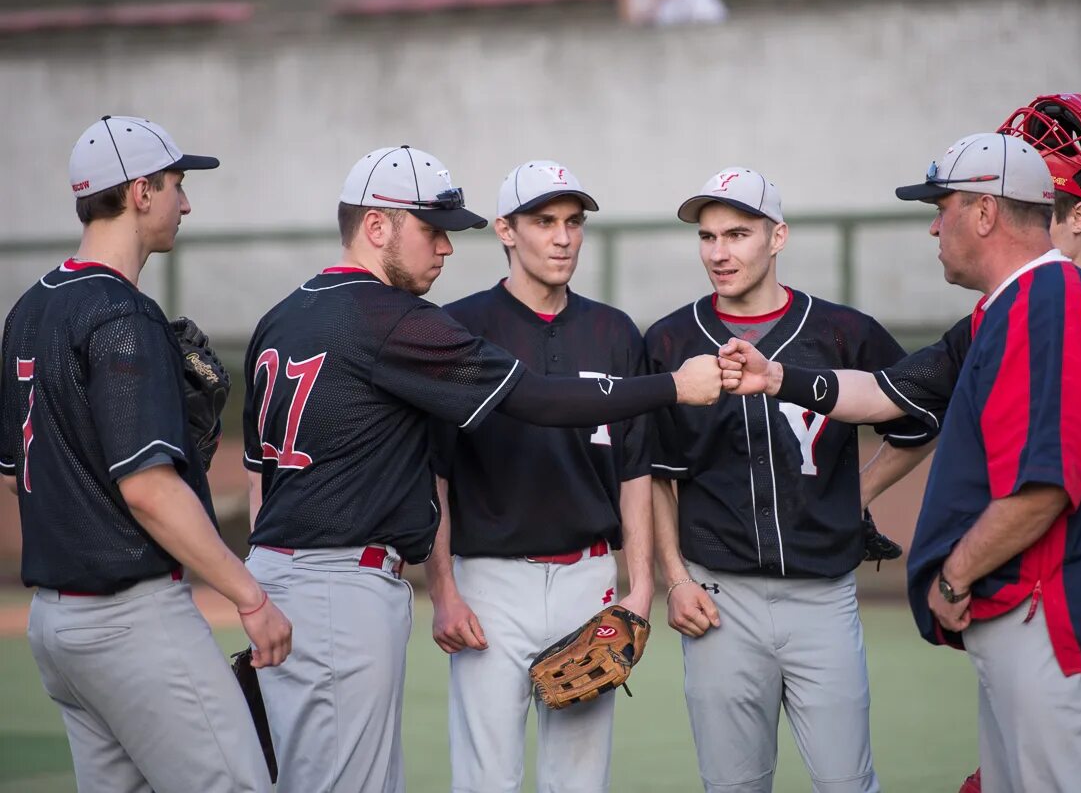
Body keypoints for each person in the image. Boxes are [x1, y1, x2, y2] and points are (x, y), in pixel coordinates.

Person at [242, 145, 724, 793]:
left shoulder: (283, 313)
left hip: (299, 569)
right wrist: (674, 385)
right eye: (433, 230)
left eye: (572, 221)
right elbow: (534, 399)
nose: (444, 248)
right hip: (346, 580)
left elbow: (256, 475)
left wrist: (259, 579)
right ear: (378, 226)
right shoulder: (400, 321)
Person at [724, 133, 1081, 792]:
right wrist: (774, 377)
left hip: (1060, 626)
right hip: (1035, 625)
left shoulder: (1054, 302)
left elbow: (1045, 485)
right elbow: (884, 391)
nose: (934, 225)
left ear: (986, 213)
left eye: (944, 206)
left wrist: (955, 575)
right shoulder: (1010, 307)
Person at [0, 115, 291, 793]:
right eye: (177, 185)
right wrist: (249, 595)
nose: (185, 203)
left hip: (56, 627)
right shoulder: (122, 316)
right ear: (140, 191)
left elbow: (20, 480)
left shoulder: (28, 310)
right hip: (131, 620)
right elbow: (148, 490)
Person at [644, 167, 934, 793]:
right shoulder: (668, 340)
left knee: (846, 782)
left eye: (738, 234)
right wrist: (675, 579)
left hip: (822, 597)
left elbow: (921, 418)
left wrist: (856, 493)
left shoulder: (841, 332)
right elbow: (658, 477)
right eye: (708, 236)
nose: (719, 252)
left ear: (778, 238)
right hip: (718, 601)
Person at [424, 160, 651, 793]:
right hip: (490, 582)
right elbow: (435, 474)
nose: (562, 237)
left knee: (580, 782)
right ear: (505, 230)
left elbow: (636, 470)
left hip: (590, 579)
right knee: (486, 778)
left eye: (574, 222)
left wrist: (641, 587)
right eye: (543, 221)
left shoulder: (614, 331)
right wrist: (442, 590)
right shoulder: (459, 328)